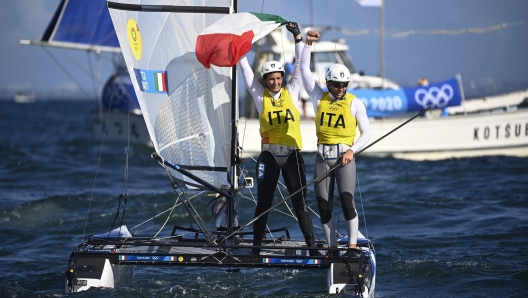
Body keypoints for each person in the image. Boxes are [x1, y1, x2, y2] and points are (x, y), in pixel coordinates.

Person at [238, 22, 319, 256]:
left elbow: (301, 64)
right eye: (271, 79)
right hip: (269, 155)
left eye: (278, 78)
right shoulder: (258, 95)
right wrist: (239, 45)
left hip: (292, 154)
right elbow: (244, 69)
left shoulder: (292, 90)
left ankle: (312, 248)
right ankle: (255, 250)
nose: (275, 82)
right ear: (265, 81)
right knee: (263, 203)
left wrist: (298, 37)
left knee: (300, 203)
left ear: (282, 78)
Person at [300, 30, 372, 257]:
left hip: (344, 158)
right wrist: (308, 44)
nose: (341, 89)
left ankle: (351, 247)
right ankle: (331, 249)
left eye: (344, 85)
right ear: (328, 83)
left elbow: (367, 133)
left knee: (347, 201)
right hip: (322, 158)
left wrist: (352, 150)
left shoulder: (355, 103)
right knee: (323, 205)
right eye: (337, 85)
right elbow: (303, 70)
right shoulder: (317, 97)